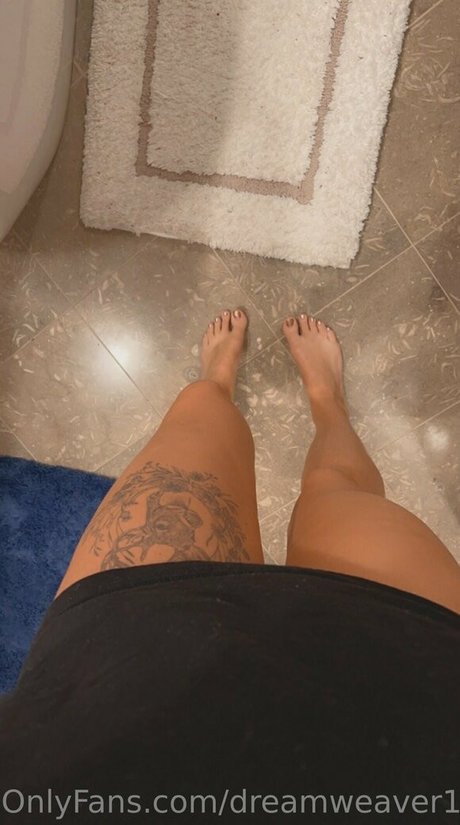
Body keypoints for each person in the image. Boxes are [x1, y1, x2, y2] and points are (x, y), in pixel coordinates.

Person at [0, 309, 459, 824]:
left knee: (199, 417)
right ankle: (326, 401)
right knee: (336, 486)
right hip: (412, 681)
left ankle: (222, 379)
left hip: (121, 662)